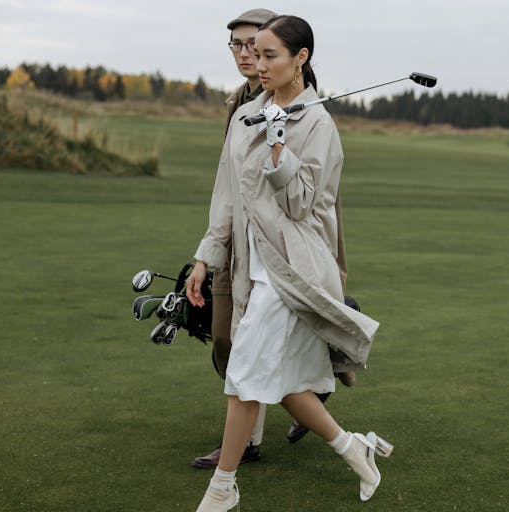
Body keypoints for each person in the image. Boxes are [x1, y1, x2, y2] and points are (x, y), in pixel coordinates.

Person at [186, 15, 391, 511]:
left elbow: (301, 203)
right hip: (250, 271)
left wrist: (280, 144)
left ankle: (222, 489)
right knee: (285, 385)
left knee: (244, 378)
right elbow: (228, 195)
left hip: (292, 272)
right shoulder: (245, 115)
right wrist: (205, 256)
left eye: (269, 54)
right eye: (254, 52)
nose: (257, 62)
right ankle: (353, 447)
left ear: (300, 58)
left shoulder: (316, 122)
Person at [192, 7, 278, 471]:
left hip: (269, 249)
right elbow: (228, 185)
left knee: (248, 344)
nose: (246, 55)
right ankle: (309, 397)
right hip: (231, 240)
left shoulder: (291, 103)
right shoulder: (238, 101)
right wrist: (208, 252)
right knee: (224, 341)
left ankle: (245, 442)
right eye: (238, 46)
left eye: (256, 46)